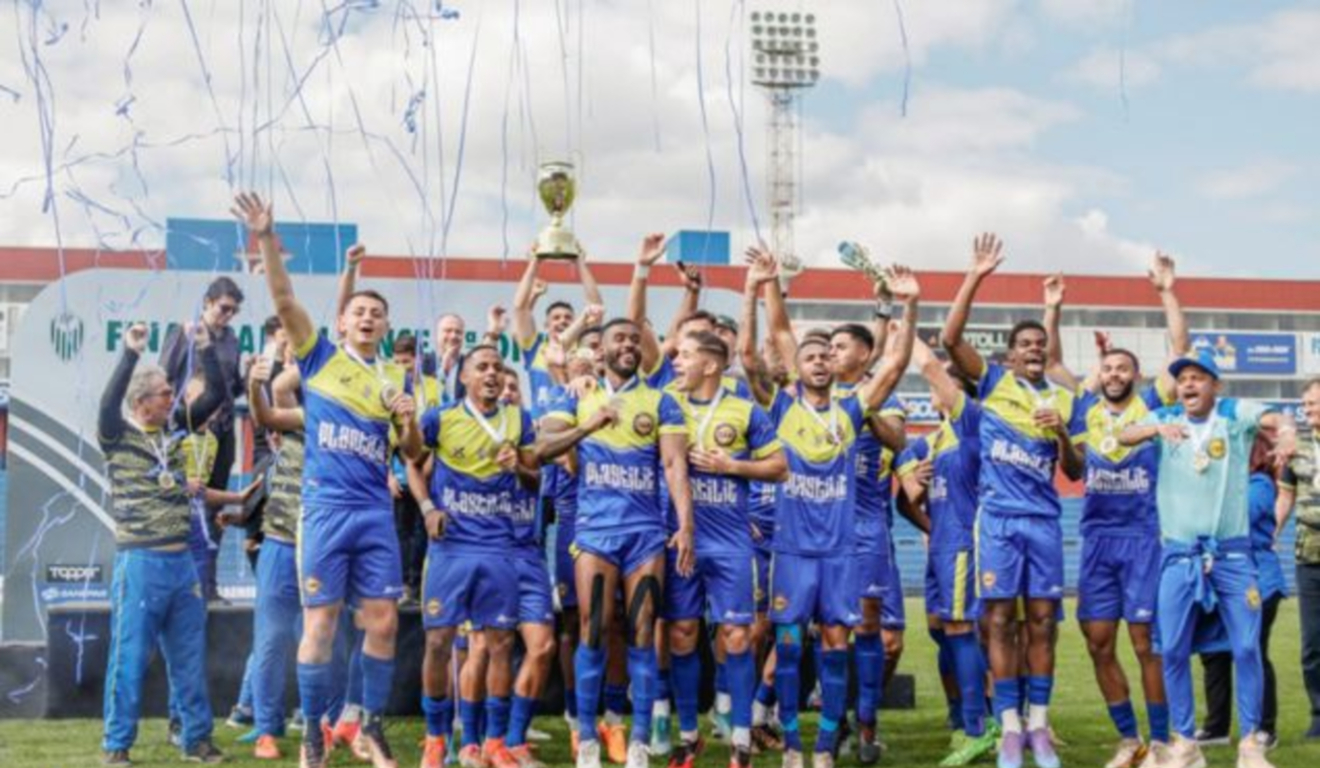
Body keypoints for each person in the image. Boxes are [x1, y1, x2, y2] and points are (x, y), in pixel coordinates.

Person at [233, 192, 422, 768]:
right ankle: (313, 737)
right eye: (359, 311)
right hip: (324, 512)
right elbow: (283, 298)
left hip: (374, 514)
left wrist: (408, 421)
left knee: (383, 621)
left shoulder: (395, 380)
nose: (367, 317)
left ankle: (370, 726)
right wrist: (266, 236)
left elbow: (413, 453)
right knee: (320, 624)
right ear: (342, 322)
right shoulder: (318, 359)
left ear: (386, 326)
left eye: (376, 313)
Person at [745, 245, 919, 768]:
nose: (821, 359)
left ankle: (824, 748)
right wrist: (764, 285)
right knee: (789, 648)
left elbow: (895, 364)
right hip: (793, 552)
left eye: (827, 355)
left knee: (837, 646)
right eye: (811, 355)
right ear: (796, 367)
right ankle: (792, 746)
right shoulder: (781, 407)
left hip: (841, 553)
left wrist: (909, 305)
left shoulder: (852, 411)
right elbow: (761, 348)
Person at [536, 288, 696, 768]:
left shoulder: (662, 401)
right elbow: (542, 448)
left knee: (643, 631)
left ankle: (640, 740)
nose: (628, 344)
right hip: (595, 532)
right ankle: (587, 738)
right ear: (600, 350)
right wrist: (591, 424)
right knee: (592, 630)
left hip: (645, 534)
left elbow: (675, 466)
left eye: (634, 338)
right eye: (618, 338)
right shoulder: (576, 395)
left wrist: (685, 525)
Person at [941, 234, 1082, 768]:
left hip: (1043, 522)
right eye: (1025, 344)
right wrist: (976, 274)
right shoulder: (994, 384)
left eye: (1040, 344)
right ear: (1010, 355)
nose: (1034, 349)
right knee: (998, 620)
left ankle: (1039, 726)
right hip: (998, 520)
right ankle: (1009, 728)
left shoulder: (1064, 399)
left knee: (1042, 621)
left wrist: (1061, 431)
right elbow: (950, 338)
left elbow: (1076, 470)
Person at [1119, 350, 1297, 768]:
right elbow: (1124, 434)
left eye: (1199, 377)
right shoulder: (1166, 417)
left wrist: (1288, 432)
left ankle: (1250, 744)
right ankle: (1185, 744)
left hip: (1232, 557)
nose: (1189, 384)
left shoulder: (1233, 415)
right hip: (1178, 556)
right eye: (1183, 378)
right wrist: (1155, 428)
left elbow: (1275, 416)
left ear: (1215, 385)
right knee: (1173, 650)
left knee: (1247, 647)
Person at [1046, 255, 1187, 768]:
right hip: (1097, 540)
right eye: (1107, 367)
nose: (1114, 374)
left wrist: (1166, 291)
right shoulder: (1082, 408)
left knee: (1146, 642)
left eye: (1122, 368)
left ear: (1135, 375)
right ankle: (1129, 740)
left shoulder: (1151, 403)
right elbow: (1053, 364)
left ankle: (1162, 743)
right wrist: (1053, 309)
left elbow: (1180, 350)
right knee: (1098, 642)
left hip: (1144, 538)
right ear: (1098, 374)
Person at [98, 322, 226, 765]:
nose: (174, 398)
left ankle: (197, 740)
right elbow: (107, 403)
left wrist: (206, 348)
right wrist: (130, 354)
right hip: (140, 562)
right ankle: (117, 745)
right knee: (129, 657)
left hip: (181, 563)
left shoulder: (174, 431)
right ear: (141, 402)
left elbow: (216, 396)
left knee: (189, 658)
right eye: (165, 394)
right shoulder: (116, 435)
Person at [411, 345, 541, 768]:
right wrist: (427, 508)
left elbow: (536, 480)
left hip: (499, 547)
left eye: (498, 367)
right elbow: (411, 463)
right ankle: (435, 739)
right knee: (438, 642)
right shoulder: (440, 418)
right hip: (451, 548)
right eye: (482, 367)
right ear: (464, 376)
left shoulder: (520, 420)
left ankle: (494, 742)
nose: (492, 374)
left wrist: (518, 467)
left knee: (501, 643)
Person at [663, 329, 787, 768]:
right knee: (681, 633)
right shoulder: (666, 404)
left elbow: (780, 467)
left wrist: (731, 465)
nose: (676, 362)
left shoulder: (745, 410)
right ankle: (688, 735)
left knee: (737, 636)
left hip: (731, 541)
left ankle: (739, 739)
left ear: (711, 364)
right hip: (680, 538)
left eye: (685, 355)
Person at [896, 338, 996, 767]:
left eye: (943, 386)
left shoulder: (973, 428)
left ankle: (979, 725)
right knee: (942, 631)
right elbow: (904, 501)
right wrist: (918, 494)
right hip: (940, 546)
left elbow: (932, 368)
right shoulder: (928, 444)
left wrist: (907, 330)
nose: (934, 389)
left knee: (962, 628)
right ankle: (962, 717)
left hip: (963, 544)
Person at [1196, 433, 1287, 750]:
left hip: (1260, 581)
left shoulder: (1260, 484)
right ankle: (1216, 726)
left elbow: (1237, 516)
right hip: (1222, 580)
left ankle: (1264, 728)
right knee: (1214, 653)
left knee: (1253, 651)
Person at [158, 275, 246, 601]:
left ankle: (208, 585)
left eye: (233, 311)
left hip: (222, 430)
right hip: (188, 428)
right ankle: (181, 585)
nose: (228, 315)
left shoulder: (232, 338)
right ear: (207, 302)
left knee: (215, 505)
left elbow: (232, 387)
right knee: (185, 502)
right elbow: (164, 378)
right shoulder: (184, 332)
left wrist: (249, 377)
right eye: (224, 308)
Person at [241, 355, 308, 760]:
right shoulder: (298, 419)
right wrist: (318, 351)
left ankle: (321, 723)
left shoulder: (347, 425)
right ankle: (266, 729)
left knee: (324, 642)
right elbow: (277, 393)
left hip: (322, 548)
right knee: (270, 641)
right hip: (281, 543)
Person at [1279, 377, 1320, 739]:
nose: (1309, 410)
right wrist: (1270, 533)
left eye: (1314, 403)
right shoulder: (1295, 450)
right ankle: (1319, 715)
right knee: (1312, 645)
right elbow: (1285, 498)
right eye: (1305, 405)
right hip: (1308, 560)